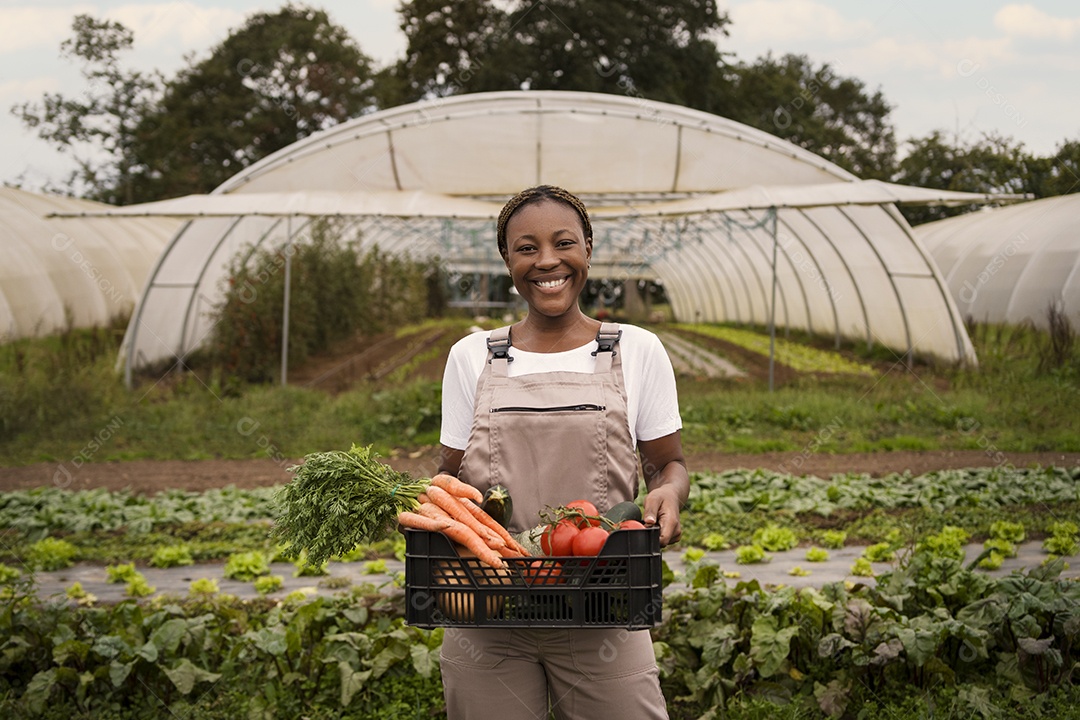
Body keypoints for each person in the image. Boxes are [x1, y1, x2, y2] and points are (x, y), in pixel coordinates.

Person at [436, 185, 689, 720]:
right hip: (488, 610)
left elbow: (668, 464)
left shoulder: (637, 349)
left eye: (563, 243)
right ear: (507, 261)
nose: (546, 261)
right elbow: (448, 478)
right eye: (526, 248)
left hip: (602, 607)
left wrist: (668, 490)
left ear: (589, 249)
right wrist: (433, 513)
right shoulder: (470, 356)